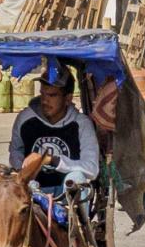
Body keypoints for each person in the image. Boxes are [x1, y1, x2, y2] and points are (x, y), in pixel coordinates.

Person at [9, 59, 103, 190]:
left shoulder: (81, 124)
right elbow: (15, 151)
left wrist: (52, 160)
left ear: (68, 99)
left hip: (68, 192)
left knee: (77, 178)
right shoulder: (25, 118)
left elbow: (91, 169)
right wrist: (22, 169)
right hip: (31, 190)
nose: (45, 100)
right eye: (43, 94)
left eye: (52, 95)